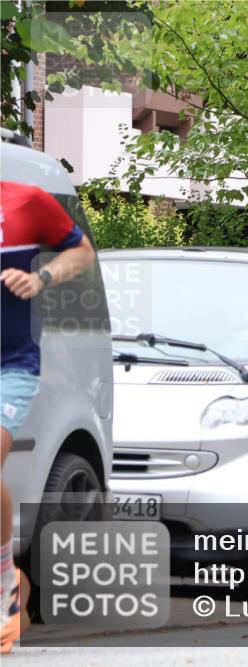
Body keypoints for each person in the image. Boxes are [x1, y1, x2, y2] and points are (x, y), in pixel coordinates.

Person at [0, 180, 96, 654]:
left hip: (10, 365)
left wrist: (41, 279)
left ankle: (3, 589)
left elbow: (81, 253)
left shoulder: (26, 200)